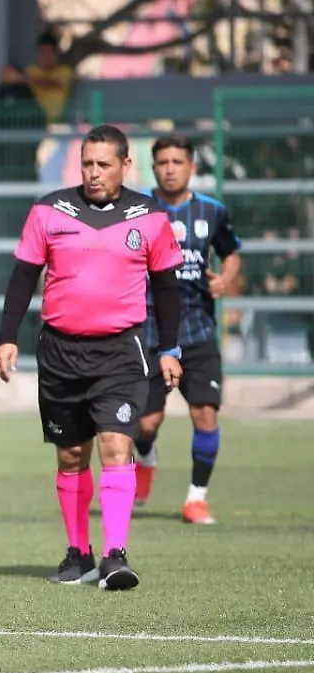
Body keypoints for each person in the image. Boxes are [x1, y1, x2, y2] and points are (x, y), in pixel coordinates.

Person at [0, 125, 184, 591]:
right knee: (71, 454)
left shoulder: (150, 215)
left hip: (121, 350)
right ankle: (77, 552)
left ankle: (115, 554)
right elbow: (23, 276)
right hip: (60, 351)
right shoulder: (48, 210)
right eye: (87, 164)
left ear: (125, 165)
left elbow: (166, 286)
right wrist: (6, 338)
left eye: (103, 164)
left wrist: (171, 349)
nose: (94, 173)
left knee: (116, 445)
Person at [134, 135, 243, 525]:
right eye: (162, 162)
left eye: (177, 162)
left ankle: (196, 499)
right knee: (146, 423)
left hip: (198, 333)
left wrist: (225, 279)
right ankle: (146, 456)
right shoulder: (139, 209)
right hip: (148, 333)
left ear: (192, 167)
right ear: (154, 166)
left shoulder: (212, 212)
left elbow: (231, 254)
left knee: (205, 415)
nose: (170, 168)